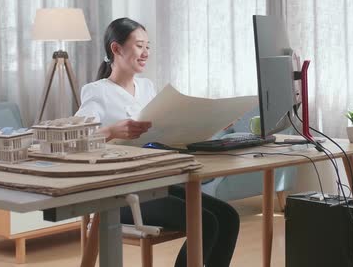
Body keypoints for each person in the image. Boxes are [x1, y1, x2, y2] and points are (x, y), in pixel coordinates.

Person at [75, 17, 240, 267]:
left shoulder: (146, 87)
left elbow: (165, 133)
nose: (145, 53)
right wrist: (112, 130)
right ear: (116, 49)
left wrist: (207, 125)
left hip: (155, 183)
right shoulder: (97, 91)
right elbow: (76, 139)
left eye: (148, 46)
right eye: (139, 45)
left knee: (228, 217)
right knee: (206, 223)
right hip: (120, 195)